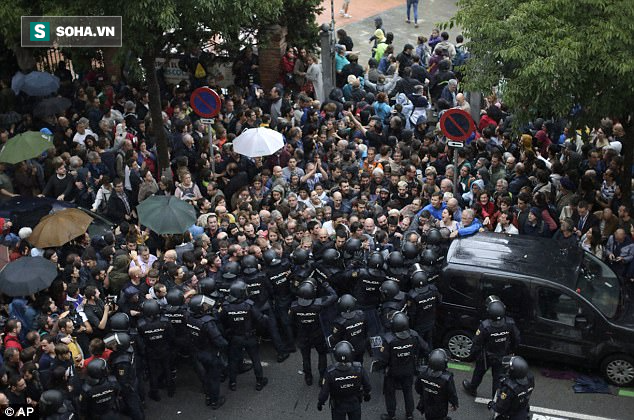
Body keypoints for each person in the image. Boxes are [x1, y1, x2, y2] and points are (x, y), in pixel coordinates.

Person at [462, 296, 520, 399]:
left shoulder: (485, 326)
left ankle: (472, 388)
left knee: (478, 373)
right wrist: (511, 351)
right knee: (498, 378)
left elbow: (476, 343)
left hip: (485, 356)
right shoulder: (510, 323)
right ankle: (496, 399)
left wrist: (473, 356)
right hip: (502, 355)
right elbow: (516, 339)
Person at [376, 312, 429, 420]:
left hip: (392, 372)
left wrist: (379, 367)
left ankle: (391, 415)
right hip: (409, 370)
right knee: (408, 392)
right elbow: (426, 348)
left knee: (390, 394)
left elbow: (383, 359)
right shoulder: (414, 335)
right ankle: (409, 415)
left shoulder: (388, 339)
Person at [219, 280, 269, 391]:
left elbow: (221, 321)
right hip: (249, 336)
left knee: (233, 360)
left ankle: (232, 383)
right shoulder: (248, 305)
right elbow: (260, 319)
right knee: (255, 359)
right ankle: (259, 382)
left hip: (235, 337)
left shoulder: (226, 306)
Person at [290, 279, 337, 385]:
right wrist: (326, 285)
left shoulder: (294, 307)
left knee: (305, 357)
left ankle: (308, 378)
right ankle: (322, 378)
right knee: (321, 354)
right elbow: (334, 296)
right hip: (317, 335)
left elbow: (291, 321)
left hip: (303, 335)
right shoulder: (319, 304)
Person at [186, 294, 228, 409]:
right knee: (214, 378)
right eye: (204, 306)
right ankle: (215, 401)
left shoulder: (189, 317)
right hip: (210, 353)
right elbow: (219, 340)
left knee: (207, 375)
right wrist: (225, 346)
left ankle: (209, 397)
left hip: (198, 351)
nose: (207, 306)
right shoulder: (207, 322)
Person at [317, 341, 372, 420]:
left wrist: (320, 402)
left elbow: (324, 392)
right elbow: (367, 385)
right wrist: (367, 395)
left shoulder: (330, 372)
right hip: (354, 403)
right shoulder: (359, 369)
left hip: (338, 406)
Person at [137, 299, 174, 401]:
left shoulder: (141, 324)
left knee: (153, 372)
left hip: (151, 351)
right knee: (167, 369)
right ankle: (170, 390)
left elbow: (141, 340)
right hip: (164, 349)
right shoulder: (165, 321)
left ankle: (155, 393)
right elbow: (171, 336)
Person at [415, 349, 459, 420]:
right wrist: (454, 403)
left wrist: (425, 392)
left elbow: (417, 387)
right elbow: (451, 392)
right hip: (440, 406)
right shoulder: (446, 378)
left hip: (426, 402)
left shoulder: (423, 373)